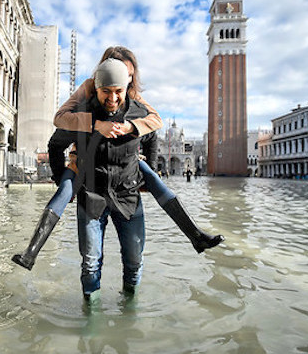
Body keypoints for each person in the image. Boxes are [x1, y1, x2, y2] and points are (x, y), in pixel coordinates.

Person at [12, 47, 223, 271]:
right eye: (119, 74)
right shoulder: (88, 88)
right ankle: (30, 254)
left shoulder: (131, 94)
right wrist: (95, 125)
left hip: (126, 169)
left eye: (129, 76)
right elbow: (59, 120)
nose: (115, 94)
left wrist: (131, 127)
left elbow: (155, 123)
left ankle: (195, 235)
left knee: (151, 175)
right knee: (64, 190)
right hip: (84, 161)